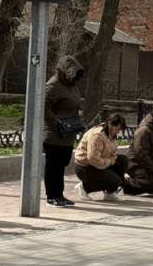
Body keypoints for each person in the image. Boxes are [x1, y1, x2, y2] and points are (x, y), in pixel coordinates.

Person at [44, 55, 85, 207]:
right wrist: (57, 123)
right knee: (53, 166)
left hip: (68, 133)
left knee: (61, 165)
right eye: (72, 73)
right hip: (54, 134)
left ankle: (59, 194)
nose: (74, 76)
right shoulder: (52, 86)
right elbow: (43, 107)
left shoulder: (72, 87)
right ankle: (52, 196)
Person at [74, 113, 129, 201]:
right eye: (116, 129)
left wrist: (111, 160)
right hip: (85, 167)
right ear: (110, 124)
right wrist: (109, 162)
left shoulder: (110, 133)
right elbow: (93, 159)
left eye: (119, 130)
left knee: (123, 160)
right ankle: (84, 187)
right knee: (115, 180)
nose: (118, 132)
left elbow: (114, 153)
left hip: (102, 162)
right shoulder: (97, 135)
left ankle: (110, 193)